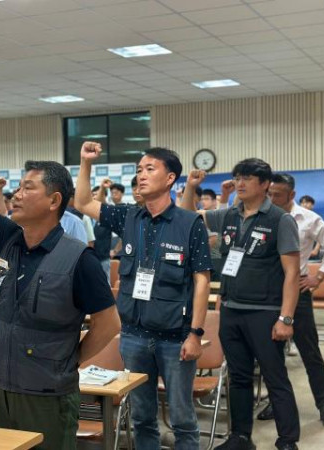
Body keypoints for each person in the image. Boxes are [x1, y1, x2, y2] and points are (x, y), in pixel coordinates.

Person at [0, 115, 120, 450]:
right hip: (1, 388)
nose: (17, 195)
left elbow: (108, 324)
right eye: (18, 187)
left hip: (47, 395)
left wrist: (70, 358)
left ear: (54, 201)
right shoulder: (8, 237)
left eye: (28, 188)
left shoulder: (78, 258)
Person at [75, 144, 212, 450]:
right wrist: (85, 163)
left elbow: (202, 280)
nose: (142, 175)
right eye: (139, 170)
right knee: (142, 417)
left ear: (170, 178)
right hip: (134, 336)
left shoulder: (189, 223)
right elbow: (83, 201)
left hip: (176, 338)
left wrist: (195, 333)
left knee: (183, 420)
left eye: (150, 169)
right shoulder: (128, 217)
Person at [184, 160, 301, 450]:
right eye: (238, 177)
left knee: (275, 378)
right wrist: (190, 187)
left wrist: (285, 319)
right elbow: (186, 214)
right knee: (238, 377)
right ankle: (240, 436)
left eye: (247, 177)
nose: (240, 182)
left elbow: (292, 273)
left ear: (264, 184)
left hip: (265, 313)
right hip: (232, 310)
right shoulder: (228, 215)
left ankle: (287, 441)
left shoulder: (279, 220)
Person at [258, 173, 324, 428]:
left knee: (309, 351)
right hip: (269, 292)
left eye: (277, 194)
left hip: (298, 292)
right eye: (269, 193)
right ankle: (276, 402)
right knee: (272, 354)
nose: (271, 198)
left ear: (291, 195)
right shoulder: (263, 217)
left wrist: (318, 277)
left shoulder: (309, 219)